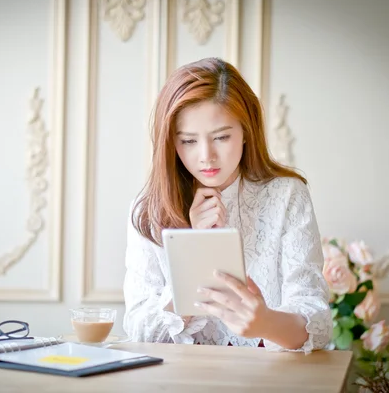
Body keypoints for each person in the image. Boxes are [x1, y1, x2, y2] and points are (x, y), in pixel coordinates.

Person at [122, 57, 332, 353]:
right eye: (188, 141)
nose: (206, 156)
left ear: (247, 131)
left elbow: (317, 323)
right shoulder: (147, 210)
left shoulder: (287, 195)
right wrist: (194, 247)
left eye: (221, 137)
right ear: (171, 142)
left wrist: (265, 322)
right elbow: (139, 329)